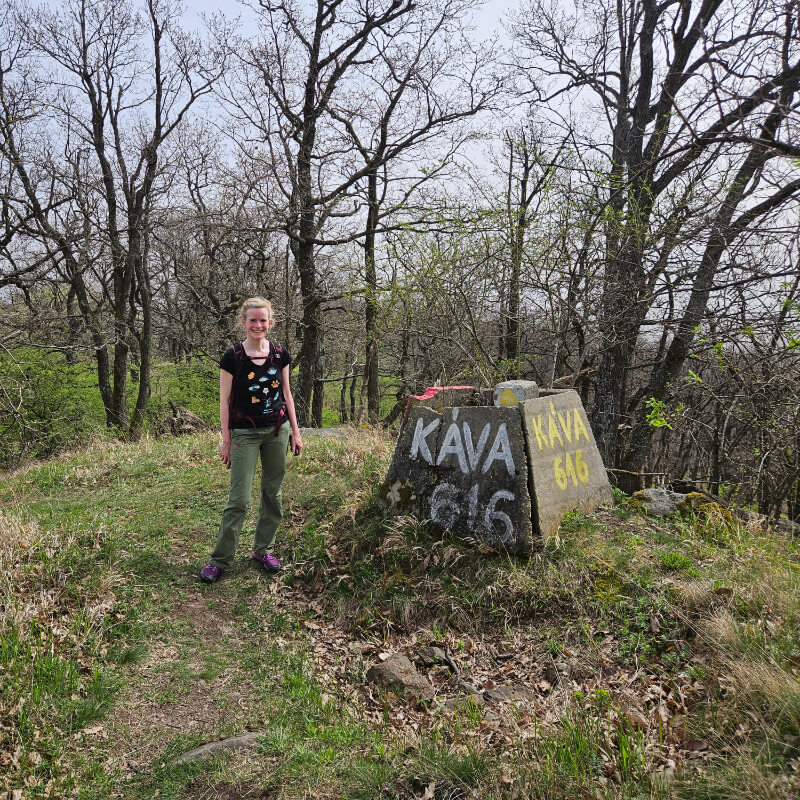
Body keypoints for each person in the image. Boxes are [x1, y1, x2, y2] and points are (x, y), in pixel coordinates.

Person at [200, 297, 303, 584]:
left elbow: (287, 395)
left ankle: (263, 550)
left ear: (270, 322)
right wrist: (226, 440)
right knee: (239, 499)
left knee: (273, 494)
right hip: (244, 433)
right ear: (244, 323)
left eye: (263, 320)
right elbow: (224, 401)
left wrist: (295, 432)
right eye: (253, 320)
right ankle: (219, 560)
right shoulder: (232, 357)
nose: (258, 325)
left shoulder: (280, 354)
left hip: (277, 432)